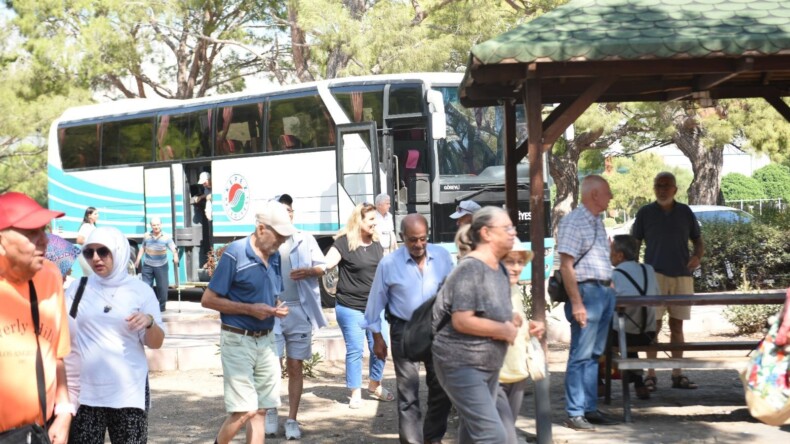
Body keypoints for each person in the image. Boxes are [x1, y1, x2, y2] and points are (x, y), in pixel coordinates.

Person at [200, 201, 294, 444]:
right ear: (261, 229)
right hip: (237, 339)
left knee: (261, 410)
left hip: (266, 340)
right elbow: (208, 299)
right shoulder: (235, 253)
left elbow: (273, 295)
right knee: (244, 411)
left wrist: (276, 309)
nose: (282, 242)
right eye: (279, 236)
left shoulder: (274, 256)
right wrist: (250, 309)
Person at [65, 226, 165, 443]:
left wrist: (149, 323)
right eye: (89, 252)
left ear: (118, 251)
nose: (96, 258)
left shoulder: (141, 291)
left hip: (129, 392)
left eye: (103, 251)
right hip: (86, 394)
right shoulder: (77, 288)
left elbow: (156, 343)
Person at [431, 206, 519, 443]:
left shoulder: (499, 268)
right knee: (493, 435)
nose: (513, 232)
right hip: (461, 363)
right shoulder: (470, 269)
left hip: (486, 364)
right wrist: (504, 329)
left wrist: (511, 319)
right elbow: (462, 320)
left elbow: (490, 311)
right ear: (487, 233)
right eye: (507, 228)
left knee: (472, 434)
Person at [364, 213, 454, 444]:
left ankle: (432, 438)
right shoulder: (389, 264)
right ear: (402, 237)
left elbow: (454, 294)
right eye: (412, 240)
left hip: (438, 330)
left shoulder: (443, 257)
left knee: (442, 388)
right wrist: (377, 338)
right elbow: (375, 303)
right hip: (404, 330)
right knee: (408, 393)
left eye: (423, 239)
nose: (418, 245)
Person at [0, 192, 73, 443]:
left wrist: (64, 412)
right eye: (32, 233)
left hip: (37, 432)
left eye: (44, 231)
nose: (45, 241)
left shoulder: (50, 276)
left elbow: (58, 356)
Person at [632, 172, 705, 391]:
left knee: (677, 325)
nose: (662, 189)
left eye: (666, 185)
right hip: (653, 276)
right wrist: (636, 272)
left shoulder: (685, 212)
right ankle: (651, 375)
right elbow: (635, 244)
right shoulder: (645, 213)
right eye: (658, 185)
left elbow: (698, 240)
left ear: (675, 189)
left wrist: (697, 256)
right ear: (654, 188)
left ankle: (677, 373)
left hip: (682, 275)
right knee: (652, 326)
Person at [557, 175, 619, 431]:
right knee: (580, 355)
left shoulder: (597, 222)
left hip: (602, 293)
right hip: (587, 293)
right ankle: (574, 412)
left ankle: (589, 408)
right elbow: (566, 265)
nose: (611, 196)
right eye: (607, 192)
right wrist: (577, 303)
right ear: (594, 194)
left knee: (594, 355)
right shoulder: (574, 221)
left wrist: (610, 285)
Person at [266, 194, 328, 440]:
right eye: (283, 209)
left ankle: (292, 419)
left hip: (299, 310)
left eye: (290, 209)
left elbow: (323, 267)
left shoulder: (305, 238)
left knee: (295, 365)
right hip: (272, 312)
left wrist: (310, 270)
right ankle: (271, 410)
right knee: (271, 366)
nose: (288, 213)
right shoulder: (267, 241)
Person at [324, 203, 393, 409]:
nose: (375, 223)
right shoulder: (344, 244)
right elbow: (327, 264)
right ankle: (355, 392)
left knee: (380, 348)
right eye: (371, 219)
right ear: (359, 221)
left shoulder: (378, 243)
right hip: (349, 306)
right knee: (355, 349)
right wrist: (314, 268)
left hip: (375, 308)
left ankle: (374, 384)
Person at [497, 240, 545, 444]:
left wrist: (530, 328)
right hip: (494, 377)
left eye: (520, 262)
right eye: (510, 261)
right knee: (507, 438)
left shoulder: (514, 288)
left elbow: (517, 327)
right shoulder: (487, 289)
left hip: (517, 373)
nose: (517, 267)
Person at [609, 234, 660, 400]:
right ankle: (638, 381)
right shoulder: (649, 270)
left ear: (620, 255)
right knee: (626, 328)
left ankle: (598, 384)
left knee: (598, 335)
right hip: (649, 335)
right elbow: (658, 298)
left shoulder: (614, 275)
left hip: (625, 336)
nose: (608, 254)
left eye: (611, 250)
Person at [135, 217, 179, 312]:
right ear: (151, 226)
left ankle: (161, 307)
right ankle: (146, 307)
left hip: (161, 266)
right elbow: (143, 247)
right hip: (148, 265)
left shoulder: (166, 237)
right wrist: (138, 259)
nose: (156, 227)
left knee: (162, 288)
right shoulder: (146, 235)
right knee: (145, 287)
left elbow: (173, 248)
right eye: (154, 225)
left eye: (158, 225)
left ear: (161, 225)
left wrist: (175, 256)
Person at [76, 207, 98, 276]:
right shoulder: (85, 226)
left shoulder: (93, 227)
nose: (97, 216)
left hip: (91, 255)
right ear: (89, 215)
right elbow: (79, 240)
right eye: (95, 214)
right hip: (86, 255)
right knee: (91, 276)